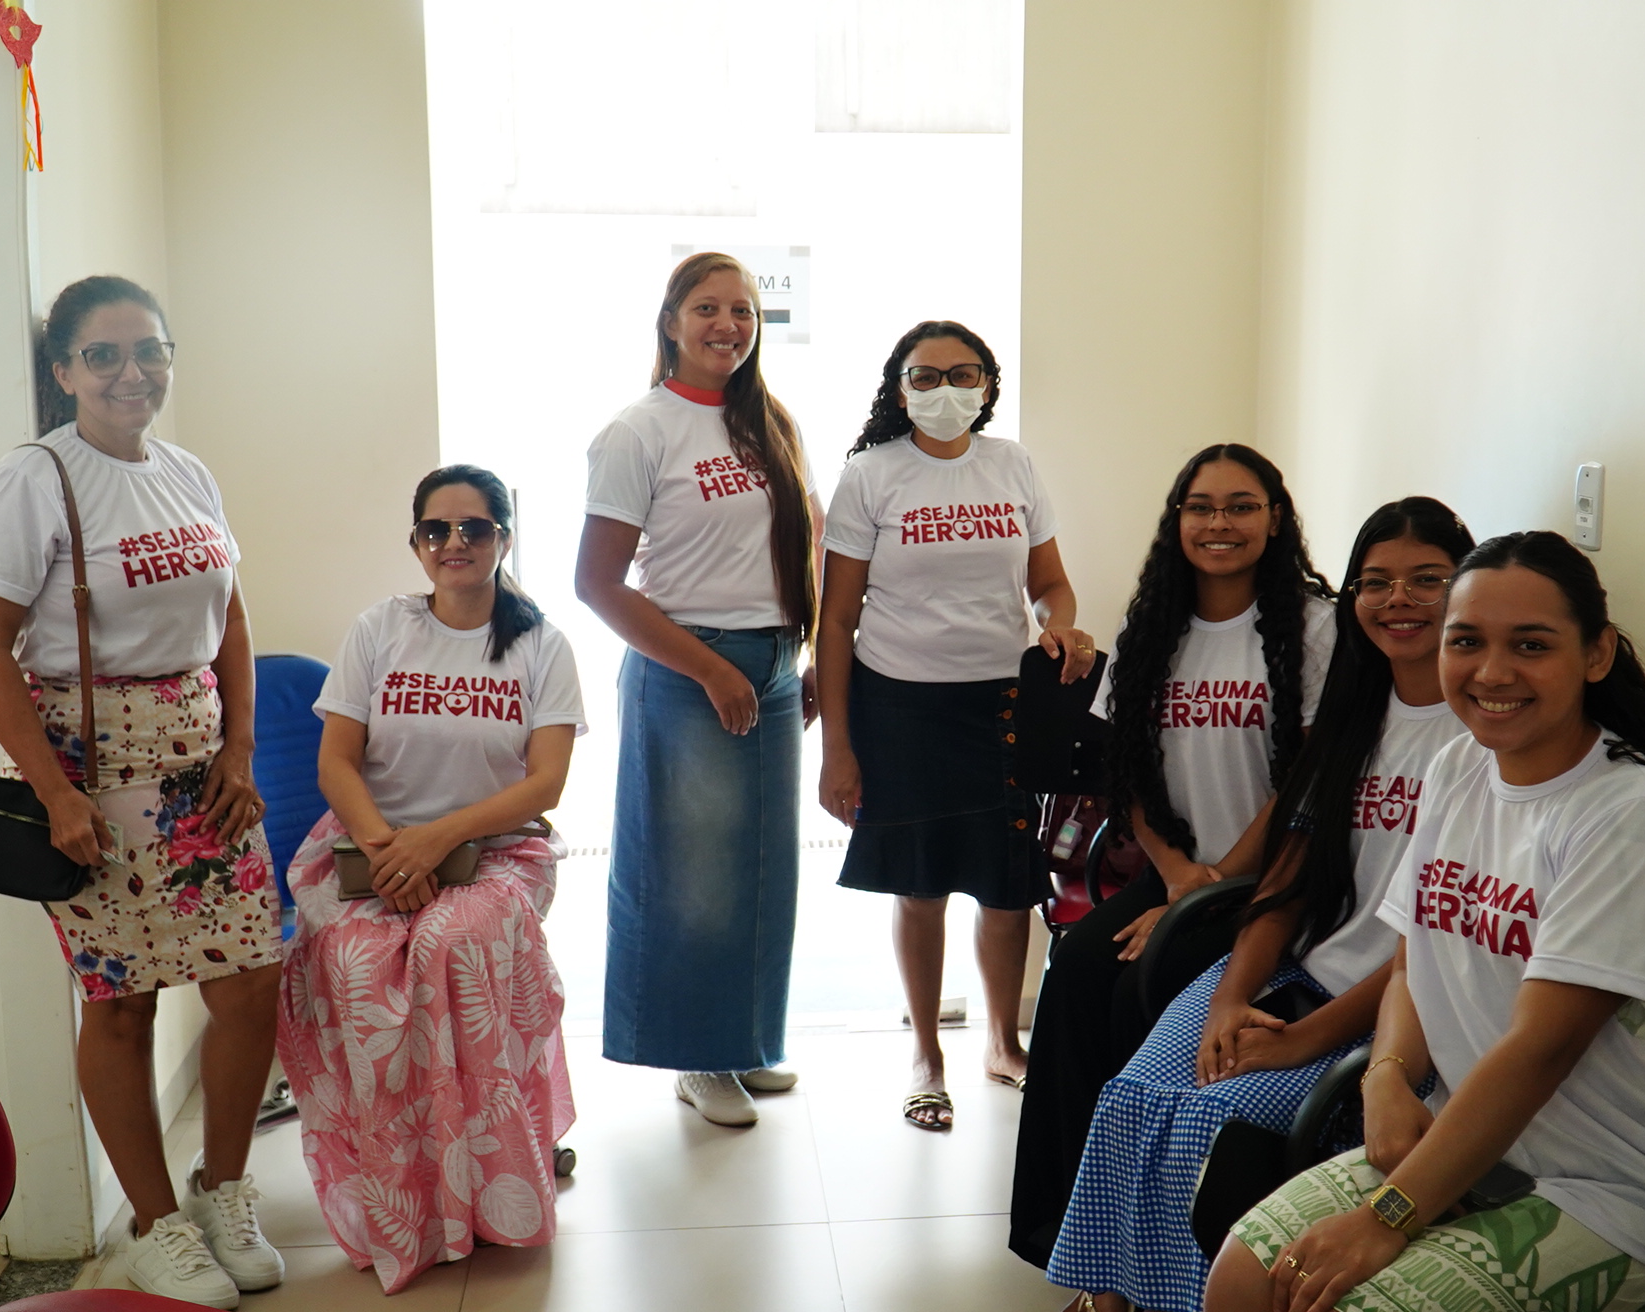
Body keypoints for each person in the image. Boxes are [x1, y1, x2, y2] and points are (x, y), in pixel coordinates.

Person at [1207, 530, 1645, 1312]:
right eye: (1466, 641)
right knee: (1242, 1277)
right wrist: (1386, 1075)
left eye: (1531, 645)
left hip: (1625, 1189)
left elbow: (1541, 1050)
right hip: (1478, 1142)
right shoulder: (1459, 767)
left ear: (1597, 653)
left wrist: (1386, 1217)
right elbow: (1413, 958)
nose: (1493, 672)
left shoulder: (1634, 815)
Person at [1048, 498, 1476, 1312]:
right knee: (1132, 1098)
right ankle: (1108, 1301)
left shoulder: (1479, 742)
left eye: (1428, 580)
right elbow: (1284, 886)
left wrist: (1306, 1037)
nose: (1400, 600)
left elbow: (1431, 955)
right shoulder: (1352, 720)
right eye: (1377, 582)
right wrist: (1231, 997)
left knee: (1208, 1124)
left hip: (1389, 1017)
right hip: (1296, 979)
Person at [0, 275, 282, 1309]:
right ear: (64, 370)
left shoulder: (187, 472)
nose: (130, 372)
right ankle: (155, 1226)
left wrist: (240, 750)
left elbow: (231, 618)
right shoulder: (35, 479)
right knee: (124, 1000)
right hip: (93, 777)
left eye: (149, 350)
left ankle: (223, 1191)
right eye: (103, 355)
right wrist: (55, 794)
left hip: (204, 768)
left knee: (250, 983)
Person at [1010, 444, 1337, 1267]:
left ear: (1275, 518)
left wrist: (1211, 885)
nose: (1219, 523)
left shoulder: (1317, 627)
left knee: (1137, 988)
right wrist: (1179, 874)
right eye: (1201, 507)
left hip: (1271, 884)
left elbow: (1306, 781)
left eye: (1241, 506)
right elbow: (1125, 768)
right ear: (1178, 520)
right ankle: (1062, 1233)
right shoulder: (1153, 624)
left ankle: (1134, 1246)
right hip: (1177, 874)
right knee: (1075, 973)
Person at [276, 464, 585, 1294]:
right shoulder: (381, 628)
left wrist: (435, 842)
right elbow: (337, 763)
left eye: (474, 528)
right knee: (354, 961)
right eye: (436, 529)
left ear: (503, 539)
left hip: (497, 849)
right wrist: (388, 849)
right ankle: (400, 1192)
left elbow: (545, 784)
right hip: (368, 846)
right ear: (416, 543)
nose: (455, 543)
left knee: (453, 943)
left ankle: (491, 1183)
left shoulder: (541, 645)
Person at [816, 320, 1094, 1130]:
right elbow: (837, 620)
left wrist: (1059, 627)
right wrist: (837, 747)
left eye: (963, 374)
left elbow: (1051, 584)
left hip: (1003, 705)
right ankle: (926, 1056)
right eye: (926, 376)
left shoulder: (1012, 464)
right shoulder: (870, 474)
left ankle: (1003, 1043)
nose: (946, 390)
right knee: (921, 886)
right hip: (900, 706)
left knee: (1008, 888)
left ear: (988, 384)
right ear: (900, 389)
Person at [576, 252, 823, 1127]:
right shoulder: (639, 431)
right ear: (672, 322)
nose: (729, 325)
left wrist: (807, 654)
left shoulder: (771, 423)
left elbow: (807, 545)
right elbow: (597, 583)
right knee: (694, 876)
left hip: (773, 663)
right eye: (709, 308)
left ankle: (743, 1042)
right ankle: (695, 1058)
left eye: (744, 311)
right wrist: (712, 670)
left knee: (762, 871)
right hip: (691, 668)